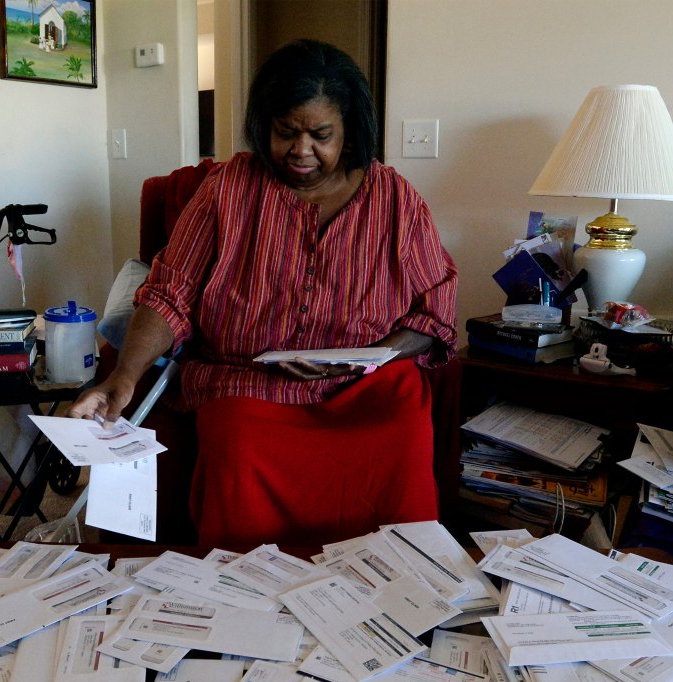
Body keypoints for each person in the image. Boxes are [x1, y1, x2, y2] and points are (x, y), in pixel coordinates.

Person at [68, 39, 457, 548]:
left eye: (321, 135)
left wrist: (377, 356)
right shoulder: (227, 189)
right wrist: (124, 374)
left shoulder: (395, 198)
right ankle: (241, 594)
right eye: (285, 132)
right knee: (235, 434)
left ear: (350, 131)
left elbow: (435, 313)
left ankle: (390, 581)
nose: (300, 150)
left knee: (402, 414)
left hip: (361, 387)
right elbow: (168, 295)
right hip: (247, 382)